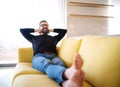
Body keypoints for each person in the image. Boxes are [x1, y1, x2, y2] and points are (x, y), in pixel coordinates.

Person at [20, 20, 85, 87]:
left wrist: (50, 30)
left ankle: (66, 84)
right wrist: (36, 30)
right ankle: (68, 73)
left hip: (54, 56)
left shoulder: (54, 38)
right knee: (46, 62)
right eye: (42, 25)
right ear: (39, 28)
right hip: (38, 57)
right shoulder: (34, 38)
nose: (45, 26)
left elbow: (64, 31)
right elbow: (22, 30)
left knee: (60, 64)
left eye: (46, 25)